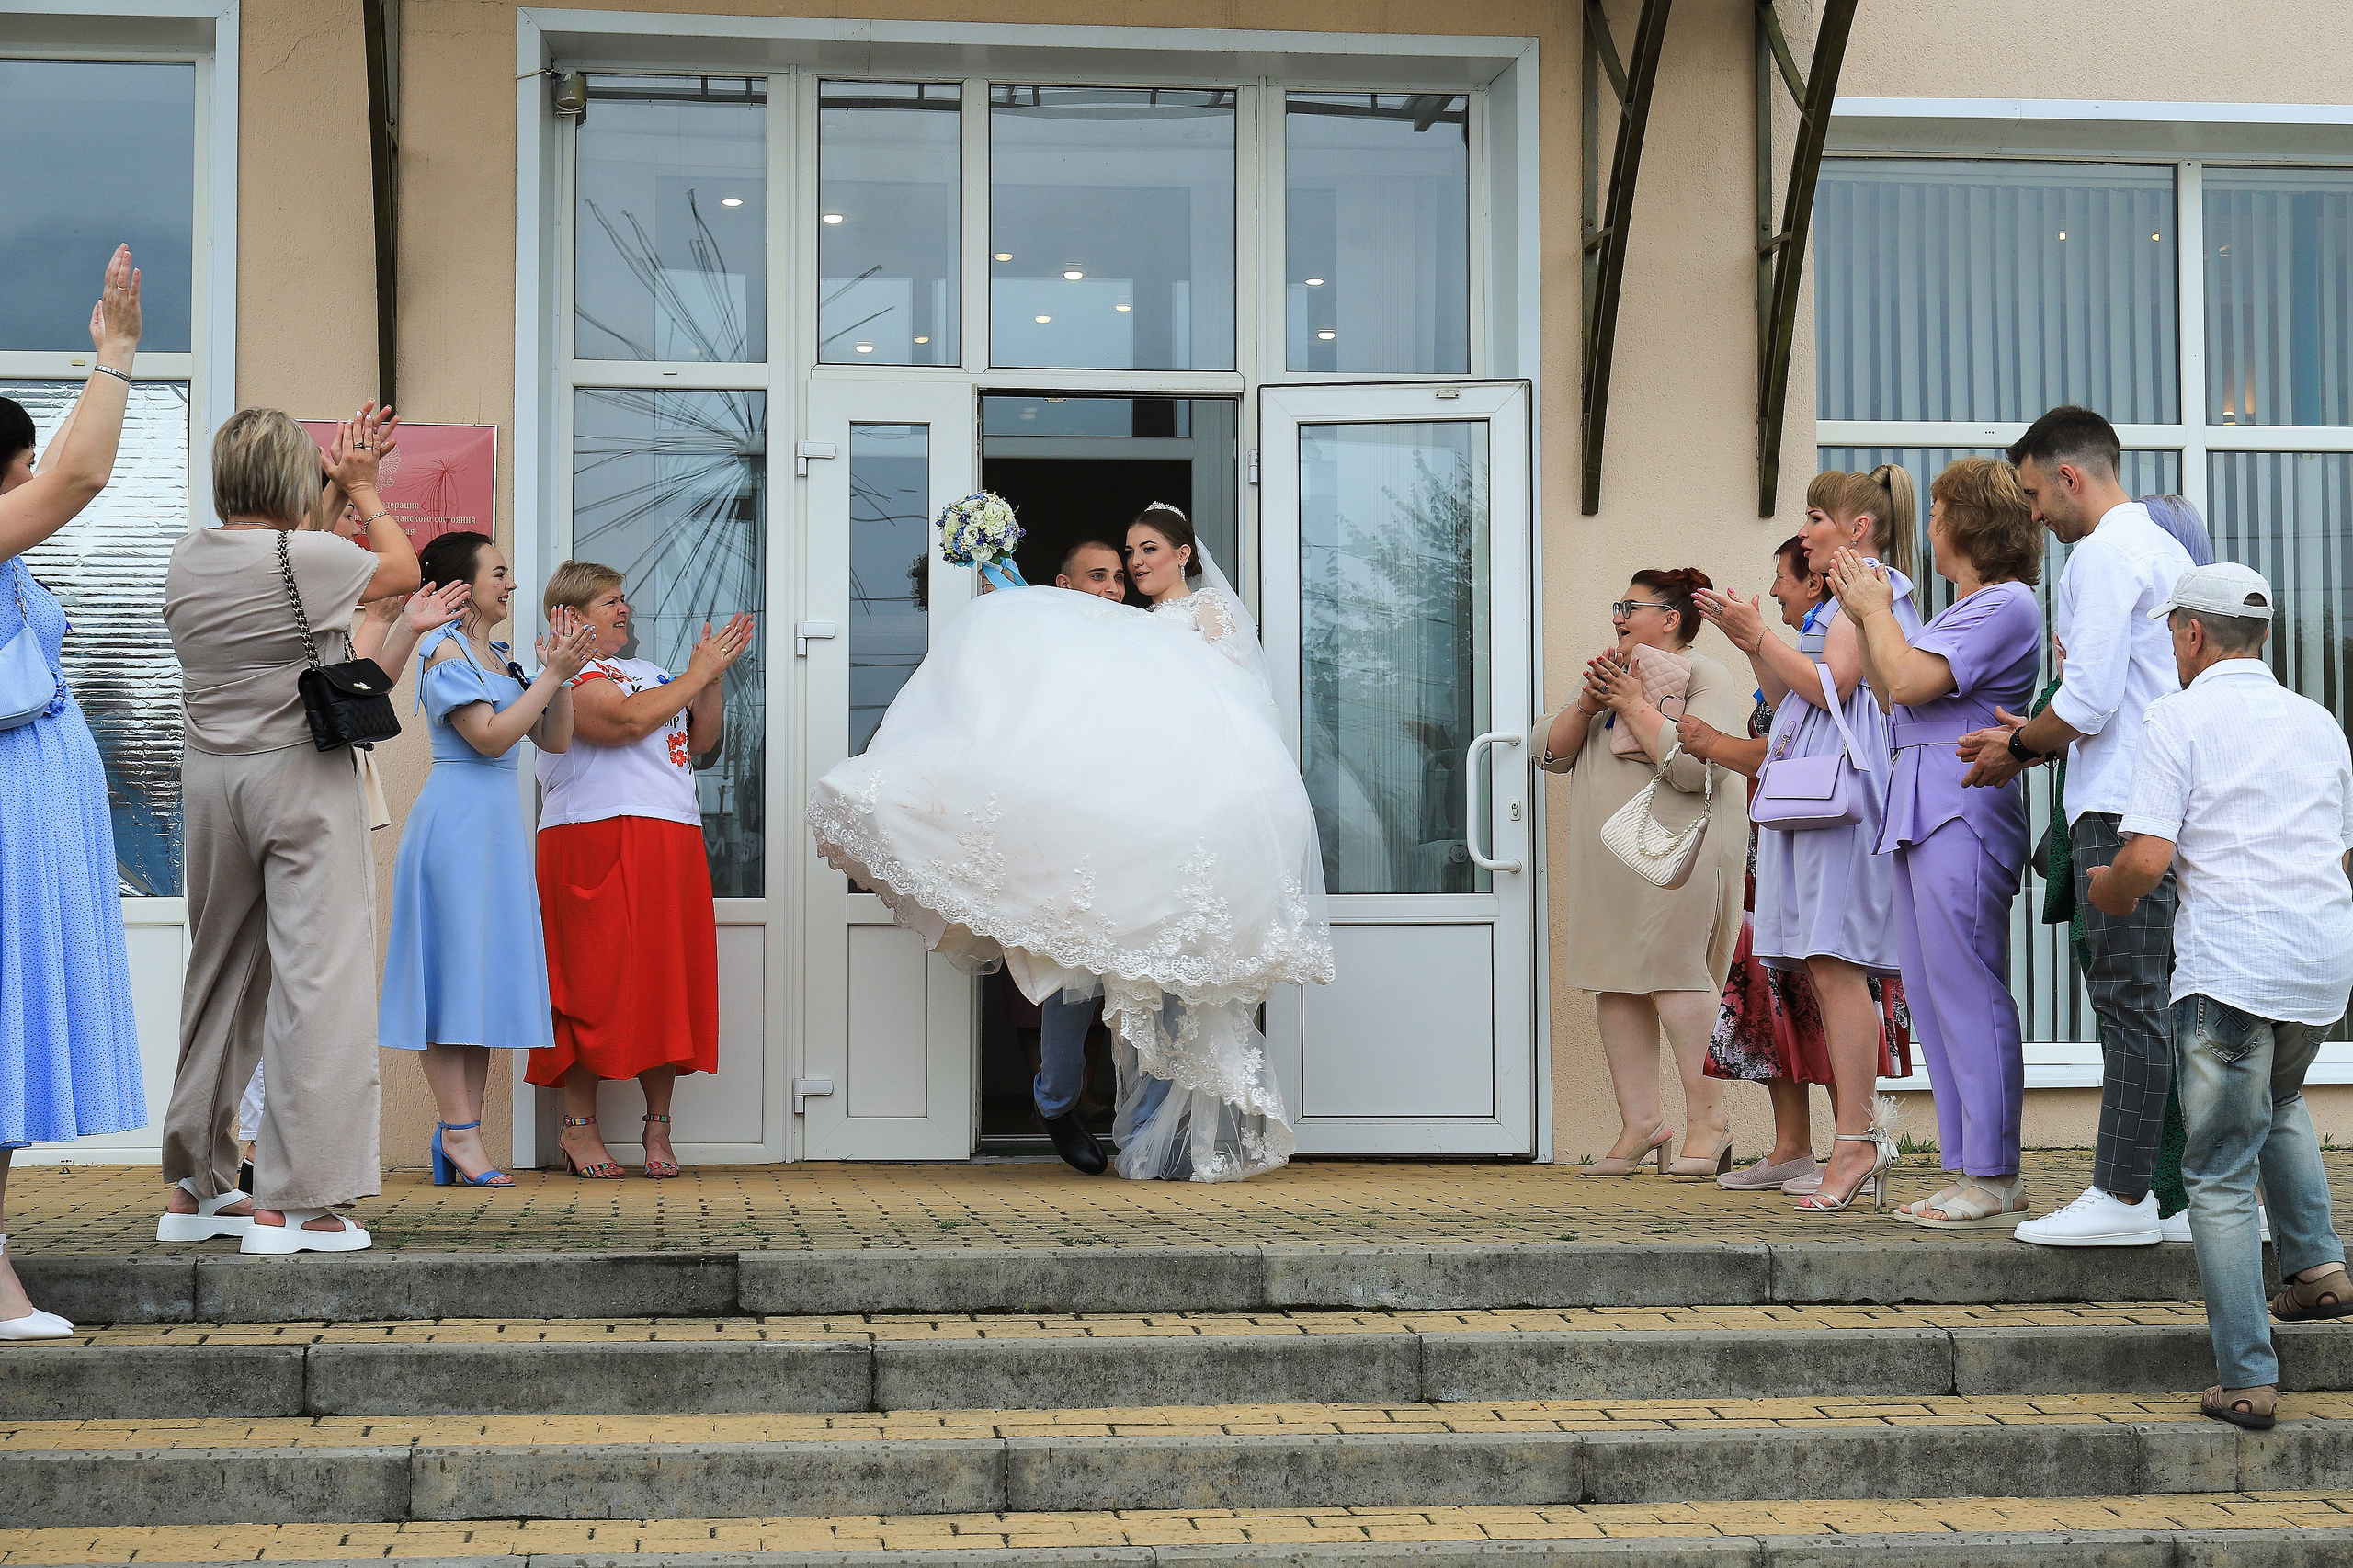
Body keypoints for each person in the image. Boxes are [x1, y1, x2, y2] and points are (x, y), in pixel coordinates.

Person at [810, 501, 1333, 1182]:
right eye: (1127, 554)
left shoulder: (1204, 614)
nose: (1135, 565)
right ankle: (1057, 1100)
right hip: (1112, 818)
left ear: (1184, 554)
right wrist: (1015, 598)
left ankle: (1149, 1134)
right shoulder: (1121, 628)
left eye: (1147, 551)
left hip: (1174, 819)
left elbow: (1235, 704)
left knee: (1162, 982)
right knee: (1071, 968)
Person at [2086, 562, 2353, 1429]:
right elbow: (2342, 855)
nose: (2172, 646)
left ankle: (2246, 1376)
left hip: (2233, 967)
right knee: (2280, 1097)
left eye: (2172, 631)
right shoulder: (2319, 723)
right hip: (2320, 963)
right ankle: (2317, 1269)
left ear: (2193, 634)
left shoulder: (2177, 717)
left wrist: (2106, 890)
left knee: (2218, 1171)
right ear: (2262, 636)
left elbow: (2147, 860)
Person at [157, 403, 423, 1254]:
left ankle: (195, 1188)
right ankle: (299, 1202)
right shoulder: (307, 557)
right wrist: (364, 488)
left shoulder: (187, 558)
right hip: (298, 778)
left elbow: (294, 568)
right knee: (320, 977)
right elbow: (402, 569)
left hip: (212, 781)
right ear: (289, 478)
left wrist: (329, 490)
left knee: (220, 973)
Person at [1957, 406, 2194, 1247]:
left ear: (2069, 476)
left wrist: (2017, 746)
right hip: (2161, 801)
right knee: (2161, 1004)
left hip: (2120, 806)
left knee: (2128, 1002)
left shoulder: (2100, 555)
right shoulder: (2165, 551)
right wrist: (2028, 739)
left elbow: (2088, 701)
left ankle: (2122, 1198)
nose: (2032, 516)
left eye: (2032, 495)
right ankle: (2175, 1200)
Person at [1697, 467, 1920, 1212]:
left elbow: (1838, 684)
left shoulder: (1870, 590)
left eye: (1816, 517)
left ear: (1858, 528)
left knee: (1836, 963)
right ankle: (1854, 1139)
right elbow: (1792, 694)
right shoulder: (1844, 599)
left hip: (1841, 806)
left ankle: (1856, 1139)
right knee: (1825, 964)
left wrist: (1760, 634)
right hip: (1815, 802)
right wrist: (1752, 642)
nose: (1804, 531)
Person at [1829, 458, 2045, 1227]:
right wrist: (1867, 615)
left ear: (1968, 524)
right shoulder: (1968, 607)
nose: (1929, 528)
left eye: (1937, 513)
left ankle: (1994, 1173)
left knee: (1966, 988)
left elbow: (1907, 683)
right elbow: (1890, 683)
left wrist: (1873, 609)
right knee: (1930, 991)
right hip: (1923, 805)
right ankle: (1969, 1167)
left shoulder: (2007, 603)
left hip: (1962, 808)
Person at [0, 246, 148, 1337]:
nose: (33, 482)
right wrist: (119, 353)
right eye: (18, 471)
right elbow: (81, 476)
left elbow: (60, 469)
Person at [381, 532, 597, 1186]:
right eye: (499, 573)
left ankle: (461, 1131)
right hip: (455, 830)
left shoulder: (500, 657)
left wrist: (562, 675)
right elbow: (488, 737)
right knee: (450, 979)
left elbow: (554, 738)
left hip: (495, 834)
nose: (511, 584)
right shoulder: (442, 649)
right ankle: (460, 1132)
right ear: (462, 584)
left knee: (474, 983)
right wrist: (552, 676)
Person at [529, 562, 754, 1179]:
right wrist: (696, 674)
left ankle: (659, 1125)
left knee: (664, 979)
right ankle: (579, 1127)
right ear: (571, 616)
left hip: (670, 835)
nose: (625, 609)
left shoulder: (651, 674)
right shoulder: (565, 674)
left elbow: (700, 742)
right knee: (592, 979)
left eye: (623, 599)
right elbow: (622, 723)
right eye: (610, 601)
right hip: (593, 835)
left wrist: (709, 679)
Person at [1537, 569, 1747, 1176]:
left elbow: (1698, 768)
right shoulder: (1613, 671)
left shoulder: (1707, 676)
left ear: (1671, 618)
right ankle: (1642, 1124)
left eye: (1630, 607)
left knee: (1677, 976)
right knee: (1616, 978)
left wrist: (1633, 704)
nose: (1617, 617)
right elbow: (1548, 752)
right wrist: (1587, 703)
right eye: (1617, 606)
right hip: (1611, 857)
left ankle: (1710, 1124)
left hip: (1679, 855)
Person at [1026, 537, 1131, 1176]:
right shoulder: (1038, 643)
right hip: (1065, 828)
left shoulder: (1142, 646)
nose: (1114, 588)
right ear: (1065, 586)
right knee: (1072, 975)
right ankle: (1058, 1102)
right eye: (1099, 576)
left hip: (1134, 825)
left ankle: (1147, 1120)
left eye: (1119, 576)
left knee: (1145, 972)